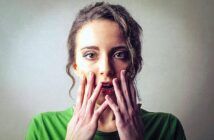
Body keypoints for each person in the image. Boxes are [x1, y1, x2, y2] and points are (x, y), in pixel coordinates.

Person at [25, 2, 186, 140]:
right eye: (90, 55)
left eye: (119, 55)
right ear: (76, 67)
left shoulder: (167, 127)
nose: (106, 69)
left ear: (134, 64)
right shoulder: (43, 127)